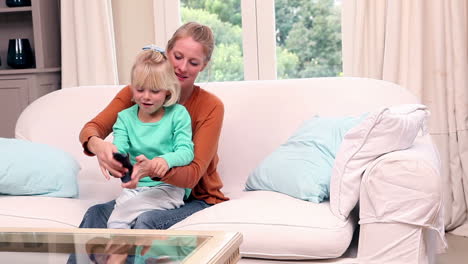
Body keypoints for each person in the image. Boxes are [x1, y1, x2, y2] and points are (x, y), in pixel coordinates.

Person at [78, 22, 228, 230]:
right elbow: (92, 128)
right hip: (146, 192)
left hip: (195, 198)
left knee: (146, 221)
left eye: (193, 62)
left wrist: (154, 168)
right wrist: (100, 147)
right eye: (177, 57)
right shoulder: (139, 94)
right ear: (167, 52)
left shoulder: (210, 106)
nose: (182, 68)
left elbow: (193, 174)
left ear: (204, 65)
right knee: (95, 214)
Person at [107, 48, 194, 229]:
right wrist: (114, 160)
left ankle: (117, 256)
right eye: (140, 89)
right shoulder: (125, 118)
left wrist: (164, 160)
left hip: (168, 188)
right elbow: (119, 149)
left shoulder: (178, 114)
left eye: (154, 91)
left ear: (167, 92)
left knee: (117, 220)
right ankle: (121, 256)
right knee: (118, 218)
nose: (146, 96)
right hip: (134, 190)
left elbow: (186, 151)